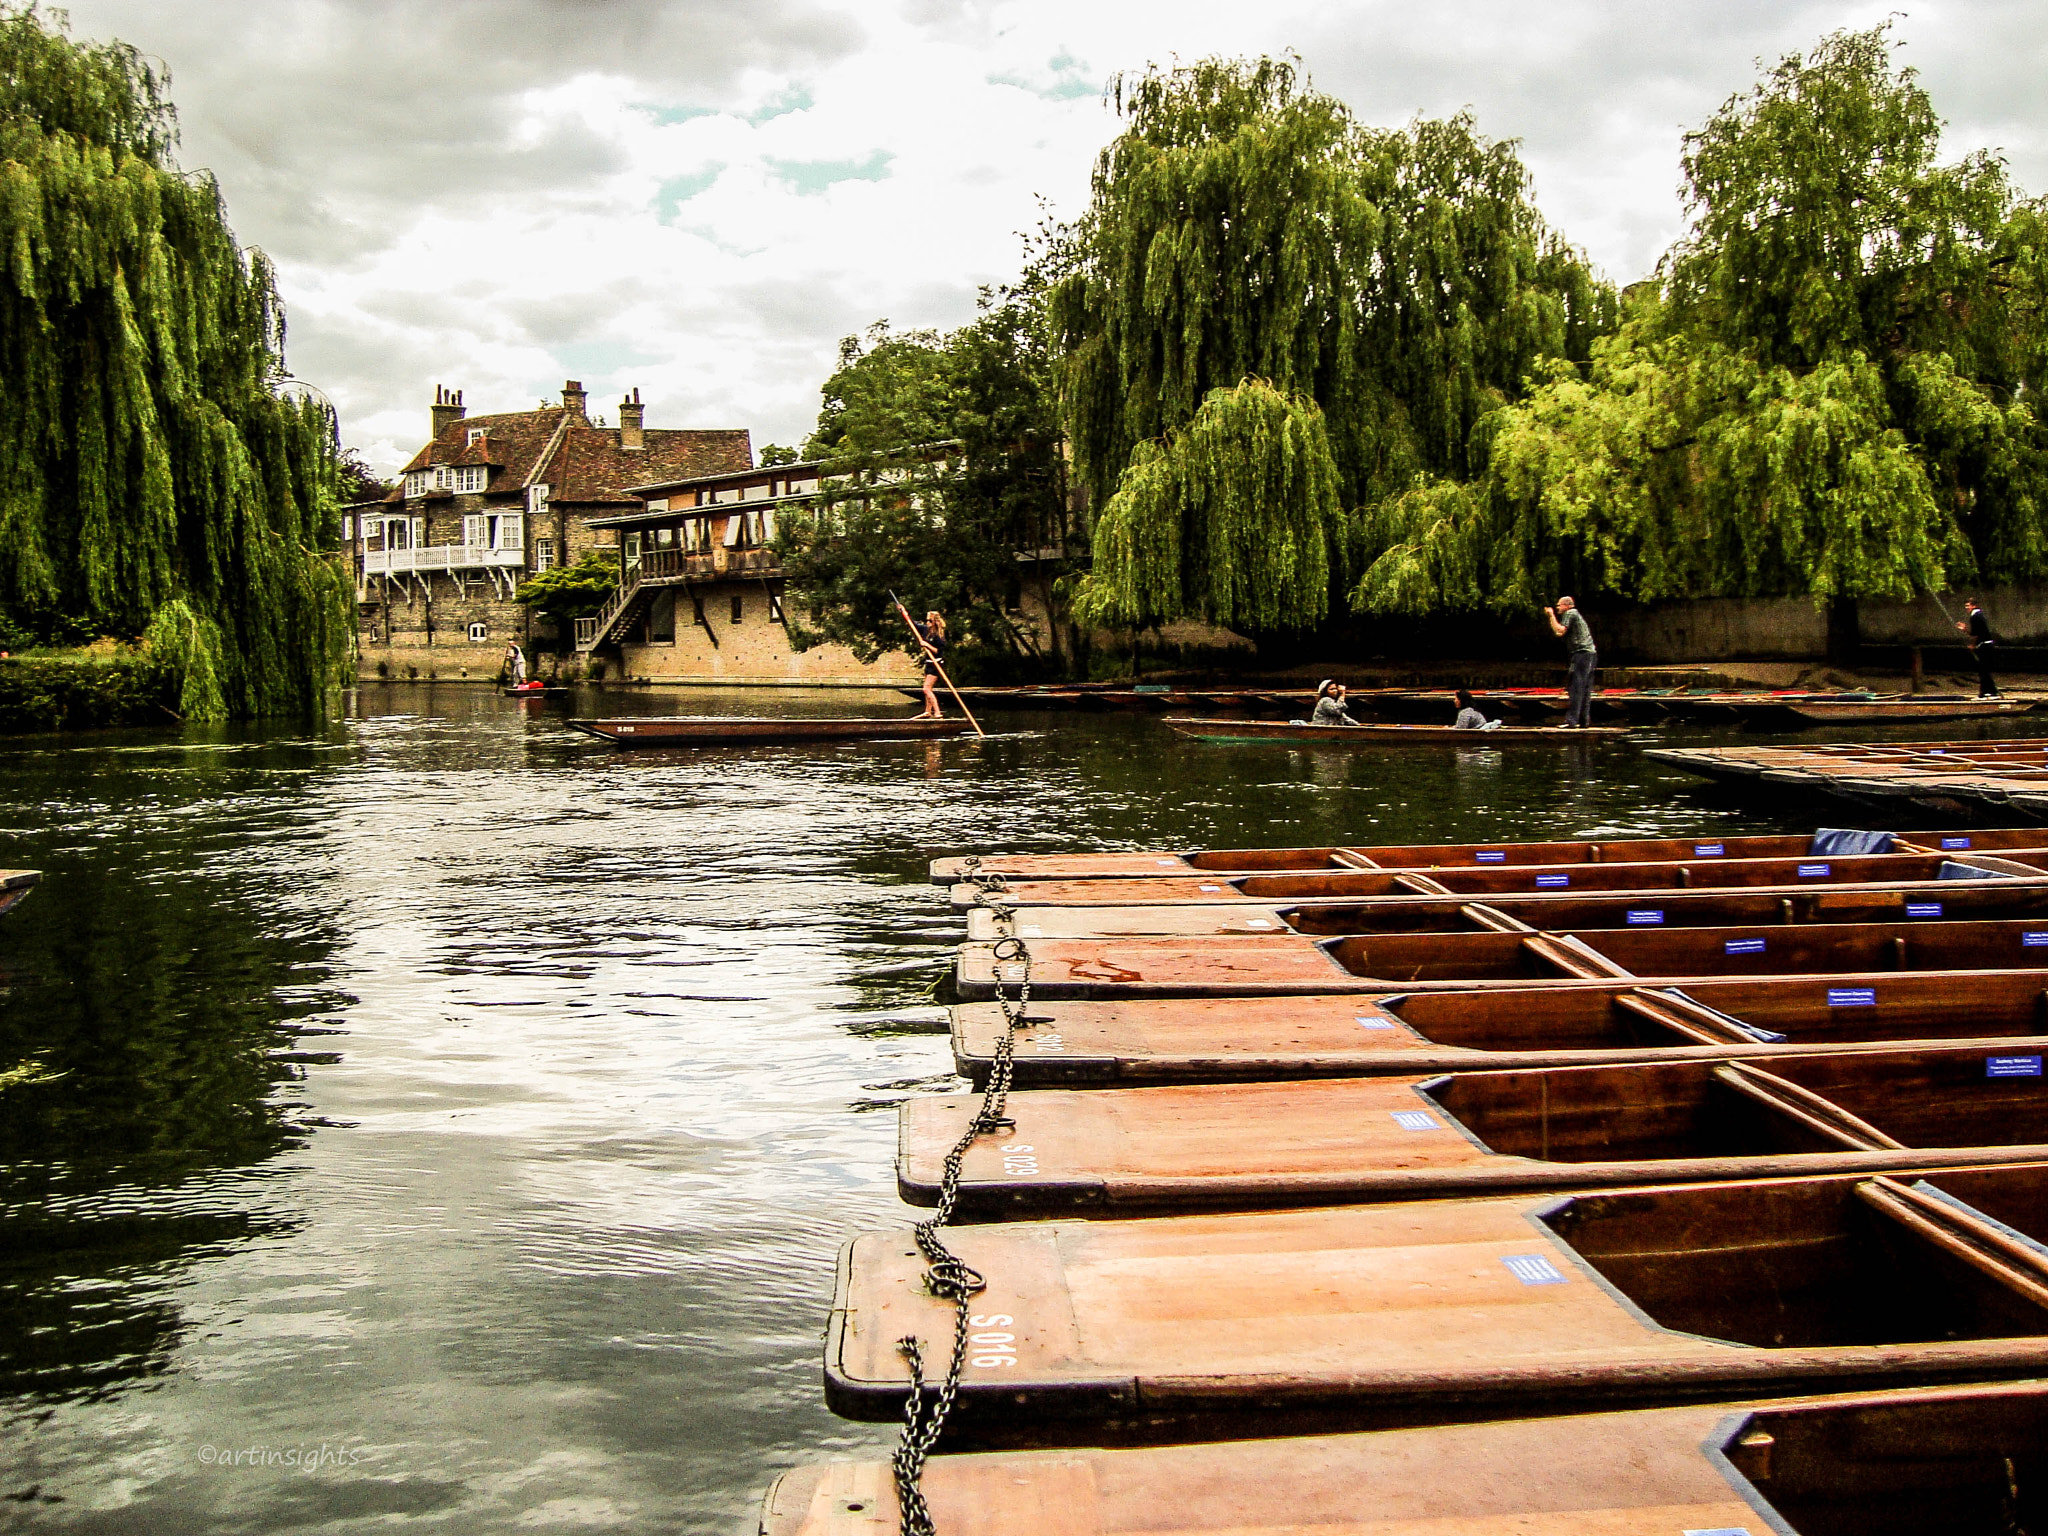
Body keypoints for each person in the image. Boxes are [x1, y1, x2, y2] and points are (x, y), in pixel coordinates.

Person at [1544, 596, 1597, 726]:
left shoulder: (1570, 613)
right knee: (1584, 688)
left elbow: (1560, 631)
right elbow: (1559, 632)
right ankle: (1583, 721)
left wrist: (1551, 615)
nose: (1557, 608)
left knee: (1575, 687)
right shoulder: (1574, 614)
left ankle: (1571, 721)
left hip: (1581, 654)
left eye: (1559, 606)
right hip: (1590, 654)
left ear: (1567, 605)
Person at [1958, 600, 2001, 699]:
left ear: (1974, 606)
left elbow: (1976, 634)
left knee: (1983, 670)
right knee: (1983, 669)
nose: (1966, 608)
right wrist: (1965, 629)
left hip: (1985, 645)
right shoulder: (1978, 615)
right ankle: (1987, 691)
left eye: (1968, 606)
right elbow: (1975, 632)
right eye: (1966, 606)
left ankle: (1988, 692)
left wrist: (1972, 645)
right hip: (1986, 645)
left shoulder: (1975, 616)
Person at [914, 611, 948, 718]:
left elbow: (938, 651)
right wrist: (903, 612)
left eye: (930, 621)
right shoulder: (925, 630)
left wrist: (926, 645)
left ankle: (937, 712)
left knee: (926, 688)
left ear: (934, 622)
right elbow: (913, 624)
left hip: (936, 663)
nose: (927, 622)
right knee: (928, 689)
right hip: (928, 663)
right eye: (927, 620)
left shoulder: (938, 636)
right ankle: (928, 711)